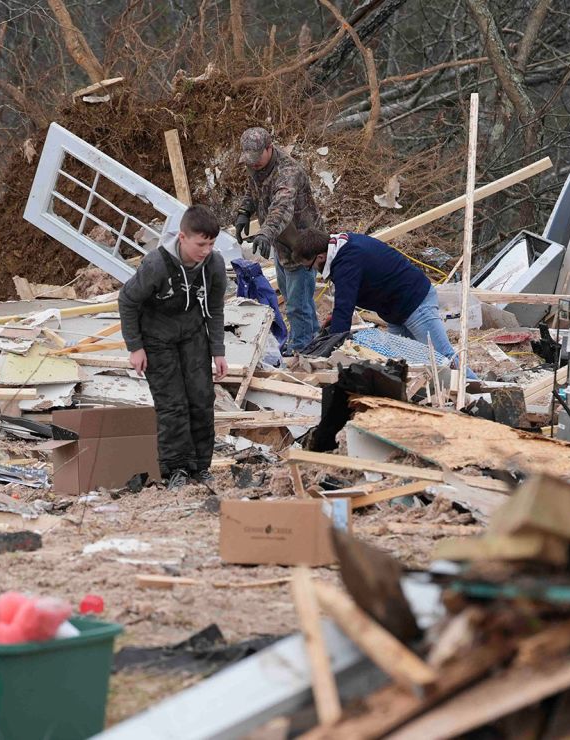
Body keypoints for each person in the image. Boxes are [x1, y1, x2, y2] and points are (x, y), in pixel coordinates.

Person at [119, 205, 228, 490]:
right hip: (156, 337)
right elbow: (128, 301)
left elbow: (215, 308)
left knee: (202, 399)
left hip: (193, 333)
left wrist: (218, 350)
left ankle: (200, 467)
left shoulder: (214, 265)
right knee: (173, 405)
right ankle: (176, 469)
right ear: (182, 237)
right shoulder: (156, 264)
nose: (206, 250)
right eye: (200, 244)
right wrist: (135, 347)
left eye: (211, 244)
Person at [293, 228, 476, 374]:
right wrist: (334, 323)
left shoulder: (346, 262)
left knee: (444, 357)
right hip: (394, 311)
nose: (313, 271)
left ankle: (483, 392)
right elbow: (345, 299)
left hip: (415, 303)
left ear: (321, 256)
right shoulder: (342, 245)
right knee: (400, 364)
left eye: (310, 267)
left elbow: (344, 308)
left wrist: (331, 349)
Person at [235, 126, 325, 354]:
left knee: (296, 304)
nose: (252, 164)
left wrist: (266, 233)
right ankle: (312, 338)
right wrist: (244, 211)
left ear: (269, 148)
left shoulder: (288, 172)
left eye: (256, 159)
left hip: (302, 245)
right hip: (281, 243)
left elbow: (281, 207)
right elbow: (252, 189)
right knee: (294, 297)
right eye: (249, 160)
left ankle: (301, 347)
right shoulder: (257, 166)